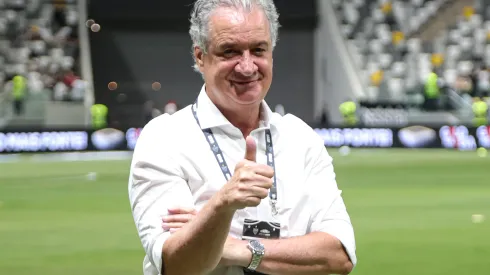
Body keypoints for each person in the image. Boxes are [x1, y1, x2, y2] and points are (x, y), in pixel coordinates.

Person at [128, 1, 357, 275]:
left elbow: (339, 255)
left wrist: (237, 248)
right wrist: (222, 204)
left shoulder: (301, 139)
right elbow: (177, 264)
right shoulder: (165, 139)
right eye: (230, 51)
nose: (247, 67)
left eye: (258, 50)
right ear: (200, 57)